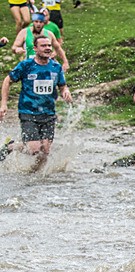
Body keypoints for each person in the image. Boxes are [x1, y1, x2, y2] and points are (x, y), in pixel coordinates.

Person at [0, 35, 72, 172]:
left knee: (45, 151)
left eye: (49, 45)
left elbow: (62, 85)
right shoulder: (26, 65)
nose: (48, 48)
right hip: (28, 112)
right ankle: (10, 147)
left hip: (48, 114)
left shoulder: (56, 67)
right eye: (43, 46)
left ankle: (33, 174)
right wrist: (3, 104)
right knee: (34, 150)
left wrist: (65, 92)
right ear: (35, 48)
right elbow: (7, 81)